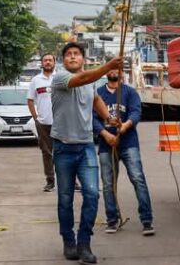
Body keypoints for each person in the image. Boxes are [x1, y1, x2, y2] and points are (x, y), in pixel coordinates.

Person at [51, 42, 122, 265]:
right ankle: (68, 241)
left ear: (83, 59)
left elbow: (96, 99)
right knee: (65, 198)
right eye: (69, 54)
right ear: (64, 60)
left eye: (77, 54)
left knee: (92, 194)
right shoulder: (61, 78)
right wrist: (108, 66)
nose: (73, 57)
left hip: (86, 147)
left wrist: (108, 118)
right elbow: (83, 80)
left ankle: (84, 243)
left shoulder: (89, 82)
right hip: (63, 147)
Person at [93, 66, 154, 235]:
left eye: (117, 68)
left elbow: (136, 113)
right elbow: (93, 118)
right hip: (106, 145)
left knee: (138, 179)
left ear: (122, 73)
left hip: (128, 143)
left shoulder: (130, 92)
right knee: (108, 184)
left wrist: (125, 126)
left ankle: (147, 220)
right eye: (111, 68)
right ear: (106, 73)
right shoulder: (98, 93)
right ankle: (112, 220)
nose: (114, 71)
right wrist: (105, 135)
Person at [27, 52, 57, 192]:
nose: (48, 62)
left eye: (50, 60)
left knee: (65, 152)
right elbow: (30, 100)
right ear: (42, 63)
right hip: (43, 123)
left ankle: (71, 181)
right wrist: (36, 118)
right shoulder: (36, 80)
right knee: (47, 153)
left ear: (54, 62)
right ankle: (50, 181)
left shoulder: (60, 78)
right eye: (45, 60)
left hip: (61, 122)